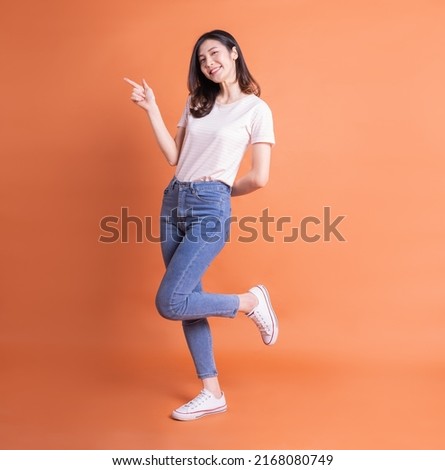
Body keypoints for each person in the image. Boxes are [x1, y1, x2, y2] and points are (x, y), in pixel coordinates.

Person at [124, 29, 278, 421]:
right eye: (202, 60)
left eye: (214, 54)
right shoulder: (197, 102)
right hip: (173, 200)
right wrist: (151, 109)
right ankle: (212, 392)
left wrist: (221, 192)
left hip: (210, 205)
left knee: (169, 301)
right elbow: (174, 155)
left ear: (233, 52)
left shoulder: (256, 110)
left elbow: (259, 177)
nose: (209, 63)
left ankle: (250, 302)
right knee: (187, 302)